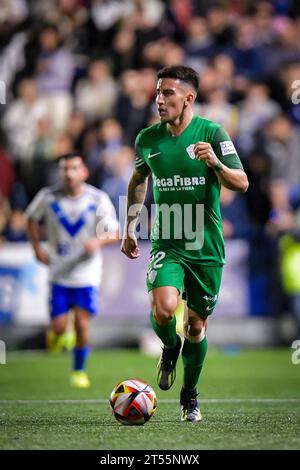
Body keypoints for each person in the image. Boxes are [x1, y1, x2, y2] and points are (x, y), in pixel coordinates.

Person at [121, 65, 248, 422]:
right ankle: (169, 346)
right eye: (158, 92)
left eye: (168, 93)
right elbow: (138, 181)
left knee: (196, 327)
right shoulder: (148, 139)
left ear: (189, 98)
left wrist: (217, 165)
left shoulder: (212, 133)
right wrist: (130, 225)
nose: (159, 100)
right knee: (163, 308)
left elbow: (242, 183)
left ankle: (189, 394)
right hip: (169, 241)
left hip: (205, 245)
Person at [26, 152, 119, 388]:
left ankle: (79, 370)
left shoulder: (98, 199)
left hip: (87, 273)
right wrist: (37, 248)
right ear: (60, 172)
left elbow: (115, 233)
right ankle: (57, 334)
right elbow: (30, 219)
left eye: (74, 168)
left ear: (84, 172)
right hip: (58, 271)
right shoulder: (47, 197)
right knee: (58, 327)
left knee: (82, 323)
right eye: (65, 169)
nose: (69, 173)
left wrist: (97, 242)